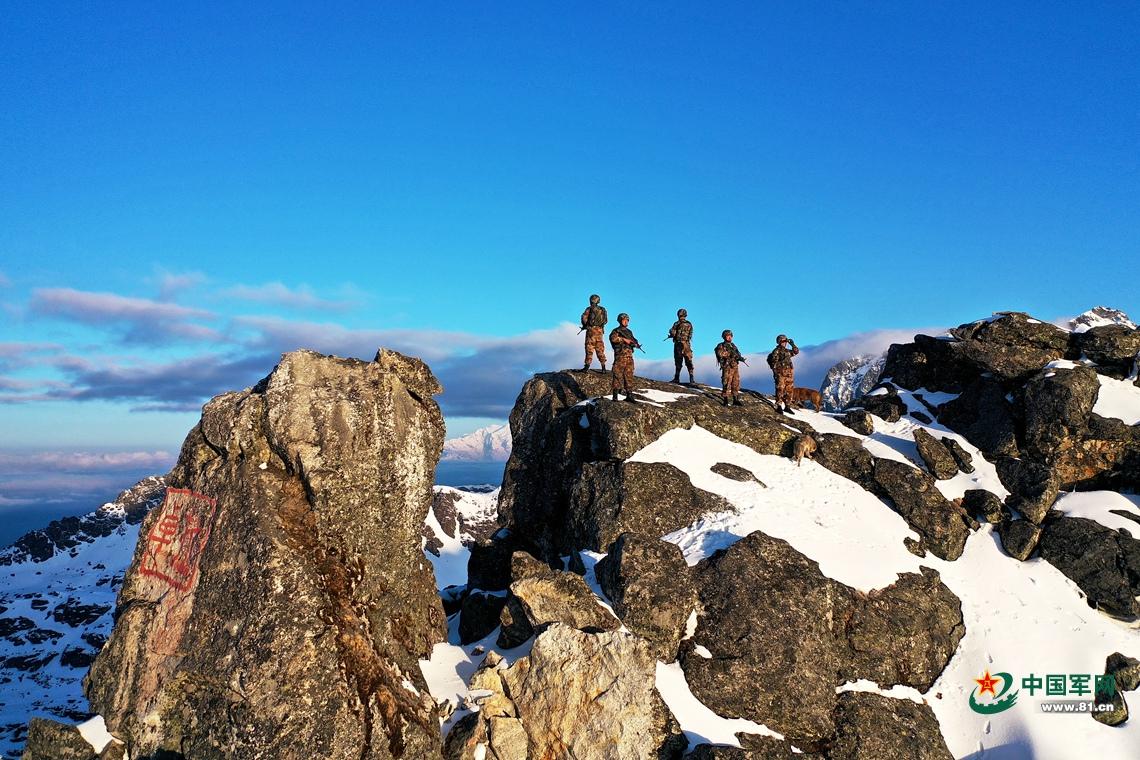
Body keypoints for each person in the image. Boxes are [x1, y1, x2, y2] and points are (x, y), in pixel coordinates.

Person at [609, 313, 640, 402]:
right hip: (620, 356)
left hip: (629, 357)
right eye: (624, 320)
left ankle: (629, 395)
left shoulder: (629, 332)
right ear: (620, 320)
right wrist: (623, 339)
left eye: (627, 320)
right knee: (617, 375)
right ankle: (615, 396)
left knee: (629, 376)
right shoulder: (616, 331)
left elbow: (633, 340)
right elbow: (613, 339)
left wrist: (635, 344)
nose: (626, 322)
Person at [767, 334, 800, 413]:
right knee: (780, 389)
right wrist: (777, 373)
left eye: (786, 341)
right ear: (779, 342)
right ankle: (778, 405)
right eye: (783, 341)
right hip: (780, 374)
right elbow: (773, 363)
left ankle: (787, 406)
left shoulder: (787, 351)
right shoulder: (776, 351)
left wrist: (792, 344)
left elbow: (796, 351)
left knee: (789, 390)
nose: (785, 343)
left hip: (789, 374)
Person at [714, 329, 745, 406]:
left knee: (736, 382)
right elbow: (720, 353)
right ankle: (725, 400)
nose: (729, 338)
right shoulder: (721, 345)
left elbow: (737, 354)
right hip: (727, 367)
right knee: (726, 382)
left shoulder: (733, 345)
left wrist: (740, 358)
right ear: (724, 337)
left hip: (735, 367)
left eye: (730, 336)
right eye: (728, 336)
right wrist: (729, 354)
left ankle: (735, 399)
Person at [580, 294, 608, 372]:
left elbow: (584, 318)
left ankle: (587, 366)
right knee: (600, 348)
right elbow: (605, 321)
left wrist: (585, 325)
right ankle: (603, 367)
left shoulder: (589, 309)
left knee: (589, 347)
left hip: (591, 331)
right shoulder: (602, 309)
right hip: (599, 332)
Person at [667, 308, 695, 384]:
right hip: (687, 344)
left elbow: (673, 333)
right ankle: (691, 378)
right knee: (688, 360)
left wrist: (671, 335)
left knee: (678, 361)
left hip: (679, 344)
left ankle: (677, 378)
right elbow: (690, 334)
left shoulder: (676, 323)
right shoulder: (689, 324)